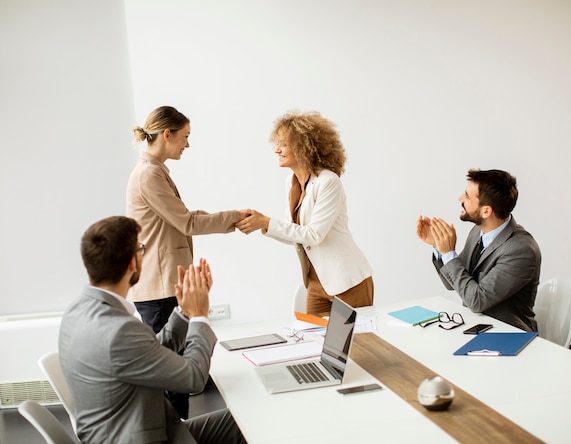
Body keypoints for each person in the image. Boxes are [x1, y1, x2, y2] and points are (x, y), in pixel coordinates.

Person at [58, 216, 246, 444]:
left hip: (134, 430)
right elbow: (194, 377)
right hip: (144, 437)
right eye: (141, 249)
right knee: (251, 424)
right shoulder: (119, 331)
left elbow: (147, 352)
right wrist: (199, 316)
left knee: (246, 421)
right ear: (132, 264)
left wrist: (184, 312)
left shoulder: (76, 311)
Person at [236, 111, 373, 316]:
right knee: (313, 342)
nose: (277, 150)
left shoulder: (328, 182)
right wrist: (262, 224)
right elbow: (294, 234)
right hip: (316, 284)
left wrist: (266, 221)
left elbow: (313, 235)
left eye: (283, 144)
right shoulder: (291, 183)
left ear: (302, 146)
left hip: (348, 282)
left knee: (357, 345)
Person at [127, 106, 246, 334]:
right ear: (167, 134)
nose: (187, 145)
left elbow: (180, 220)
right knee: (173, 364)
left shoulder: (154, 171)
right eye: (186, 137)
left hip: (163, 287)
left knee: (183, 360)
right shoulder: (149, 174)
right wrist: (237, 218)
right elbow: (187, 223)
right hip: (160, 290)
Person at [416, 169, 541, 332]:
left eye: (467, 196)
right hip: (476, 329)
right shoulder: (478, 232)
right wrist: (440, 247)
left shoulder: (521, 250)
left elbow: (476, 301)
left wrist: (449, 254)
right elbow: (452, 283)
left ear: (486, 211)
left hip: (508, 337)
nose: (460, 198)